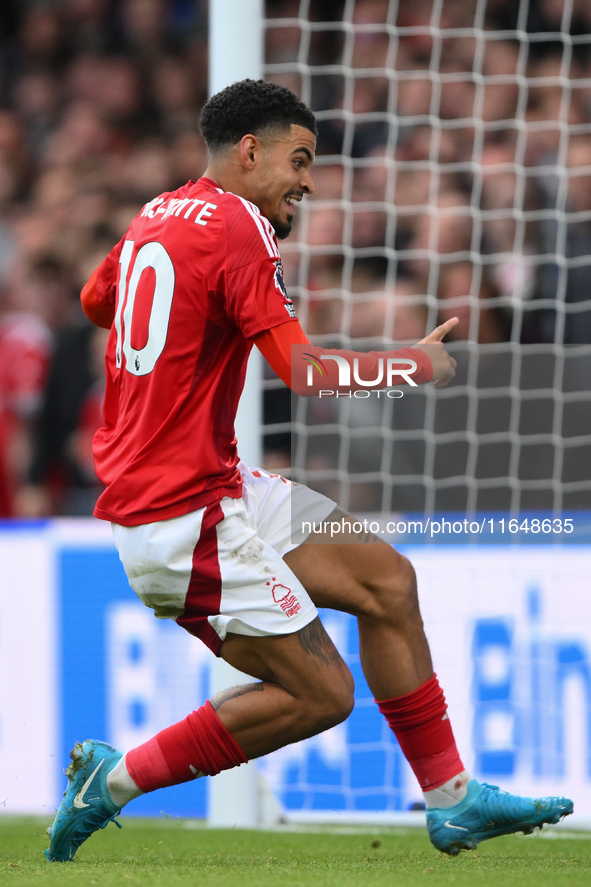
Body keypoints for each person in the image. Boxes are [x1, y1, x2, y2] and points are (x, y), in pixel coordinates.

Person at [45, 79, 572, 863]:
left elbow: (97, 301)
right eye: (298, 159)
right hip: (179, 515)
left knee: (386, 583)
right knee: (323, 695)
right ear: (248, 152)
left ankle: (452, 801)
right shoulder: (238, 224)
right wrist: (413, 366)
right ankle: (111, 781)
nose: (307, 179)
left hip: (214, 488)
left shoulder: (154, 214)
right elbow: (302, 372)